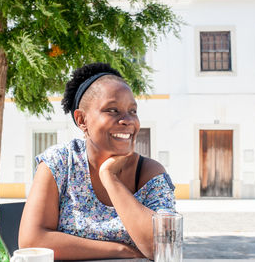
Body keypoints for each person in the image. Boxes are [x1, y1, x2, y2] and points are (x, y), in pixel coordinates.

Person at [19, 62, 176, 260]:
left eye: (133, 111)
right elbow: (32, 241)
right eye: (112, 110)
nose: (127, 120)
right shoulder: (59, 163)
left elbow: (164, 247)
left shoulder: (149, 172)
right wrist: (120, 250)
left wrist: (110, 178)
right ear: (82, 120)